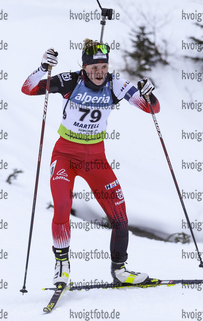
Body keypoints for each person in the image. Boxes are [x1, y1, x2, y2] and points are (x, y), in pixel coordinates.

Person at [21, 39, 160, 286]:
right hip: (65, 154)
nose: (99, 72)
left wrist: (149, 94)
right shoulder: (70, 80)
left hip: (96, 159)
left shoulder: (115, 84)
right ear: (84, 67)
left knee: (119, 215)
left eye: (103, 67)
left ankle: (120, 270)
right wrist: (43, 67)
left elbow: (152, 109)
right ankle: (62, 265)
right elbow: (28, 89)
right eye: (93, 68)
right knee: (63, 205)